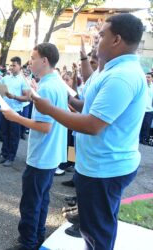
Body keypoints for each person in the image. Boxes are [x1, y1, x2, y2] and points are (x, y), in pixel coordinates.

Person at [32, 14, 146, 249]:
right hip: (99, 166)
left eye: (102, 34)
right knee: (99, 225)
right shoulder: (110, 70)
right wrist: (70, 101)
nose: (97, 39)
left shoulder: (121, 77)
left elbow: (92, 125)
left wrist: (49, 109)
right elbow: (90, 106)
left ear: (116, 40)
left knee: (96, 232)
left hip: (105, 169)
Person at [2, 43, 68, 249]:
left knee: (31, 202)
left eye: (33, 57)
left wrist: (15, 117)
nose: (30, 62)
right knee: (41, 198)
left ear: (44, 61)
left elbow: (44, 126)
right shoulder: (55, 82)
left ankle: (28, 242)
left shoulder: (47, 87)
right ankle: (38, 235)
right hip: (51, 154)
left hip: (42, 155)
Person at [0, 57, 30, 167]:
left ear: (19, 66)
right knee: (4, 133)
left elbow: (27, 98)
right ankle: (4, 154)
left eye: (14, 65)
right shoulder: (6, 78)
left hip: (16, 111)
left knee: (14, 135)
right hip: (5, 109)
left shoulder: (23, 79)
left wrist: (14, 96)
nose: (11, 67)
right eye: (10, 65)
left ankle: (11, 157)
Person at [140, 72, 153, 145]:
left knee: (146, 126)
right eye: (146, 77)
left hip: (149, 110)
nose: (147, 78)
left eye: (148, 77)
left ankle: (143, 139)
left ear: (152, 78)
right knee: (139, 124)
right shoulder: (142, 86)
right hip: (141, 109)